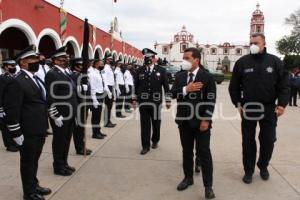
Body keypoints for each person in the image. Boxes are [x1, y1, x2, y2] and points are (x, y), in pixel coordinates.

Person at [229, 33, 290, 184]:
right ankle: (248, 171)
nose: (253, 45)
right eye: (251, 42)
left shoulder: (275, 62)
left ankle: (263, 166)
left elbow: (284, 85)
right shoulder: (242, 62)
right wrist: (238, 104)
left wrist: (282, 104)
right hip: (248, 108)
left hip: (269, 108)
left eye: (256, 42)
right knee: (248, 141)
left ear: (264, 43)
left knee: (268, 140)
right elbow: (234, 87)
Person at [3, 45, 51, 200]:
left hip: (39, 127)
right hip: (27, 130)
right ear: (22, 62)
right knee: (28, 162)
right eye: (33, 59)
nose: (37, 61)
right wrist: (15, 132)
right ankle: (29, 193)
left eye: (37, 58)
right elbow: (12, 109)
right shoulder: (17, 81)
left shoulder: (35, 78)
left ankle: (34, 184)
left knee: (34, 160)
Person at [171, 47, 216, 199]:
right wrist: (186, 89)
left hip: (201, 122)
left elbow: (211, 100)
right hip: (184, 121)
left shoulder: (207, 77)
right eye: (183, 58)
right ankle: (188, 178)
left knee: (204, 153)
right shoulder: (180, 76)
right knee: (187, 152)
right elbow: (173, 94)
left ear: (196, 60)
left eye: (187, 58)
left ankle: (208, 186)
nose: (184, 60)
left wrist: (206, 119)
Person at [45, 46, 78, 176]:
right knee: (59, 140)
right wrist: (54, 115)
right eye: (63, 58)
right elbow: (50, 96)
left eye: (66, 58)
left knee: (66, 140)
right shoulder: (52, 74)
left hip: (70, 113)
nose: (66, 60)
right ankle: (58, 166)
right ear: (56, 61)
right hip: (61, 115)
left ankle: (64, 163)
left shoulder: (66, 73)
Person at [133, 48, 171, 155]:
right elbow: (136, 85)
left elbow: (166, 86)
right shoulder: (139, 70)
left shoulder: (161, 70)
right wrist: (134, 99)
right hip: (143, 102)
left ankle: (155, 140)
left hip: (156, 102)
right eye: (145, 58)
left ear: (154, 59)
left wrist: (168, 100)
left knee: (156, 123)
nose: (147, 59)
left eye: (149, 58)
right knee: (144, 124)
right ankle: (145, 146)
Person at [69, 58, 92, 155]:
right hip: (78, 104)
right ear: (76, 67)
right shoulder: (73, 76)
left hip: (84, 104)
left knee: (82, 127)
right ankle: (79, 148)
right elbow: (72, 89)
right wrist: (82, 87)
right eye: (81, 65)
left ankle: (82, 146)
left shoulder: (82, 75)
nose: (83, 67)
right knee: (78, 128)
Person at [88, 59, 112, 139]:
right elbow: (92, 88)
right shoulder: (92, 74)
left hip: (101, 94)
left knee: (98, 115)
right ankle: (95, 133)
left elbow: (104, 83)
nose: (103, 65)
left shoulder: (99, 72)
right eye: (101, 64)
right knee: (95, 116)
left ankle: (98, 131)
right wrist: (94, 100)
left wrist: (108, 92)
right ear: (96, 65)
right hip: (96, 96)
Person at [0, 59, 19, 152]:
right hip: (6, 107)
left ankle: (14, 142)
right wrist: (0, 109)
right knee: (6, 127)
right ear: (6, 67)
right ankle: (9, 144)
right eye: (11, 66)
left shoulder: (15, 76)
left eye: (14, 65)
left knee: (13, 125)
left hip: (14, 106)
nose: (13, 67)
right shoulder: (3, 78)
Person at [103, 53, 117, 128]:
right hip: (107, 88)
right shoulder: (105, 68)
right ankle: (106, 122)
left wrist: (113, 89)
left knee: (110, 106)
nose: (111, 60)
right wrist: (108, 91)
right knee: (108, 106)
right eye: (110, 59)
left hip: (111, 87)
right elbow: (104, 80)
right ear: (107, 60)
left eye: (112, 59)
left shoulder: (110, 68)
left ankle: (108, 120)